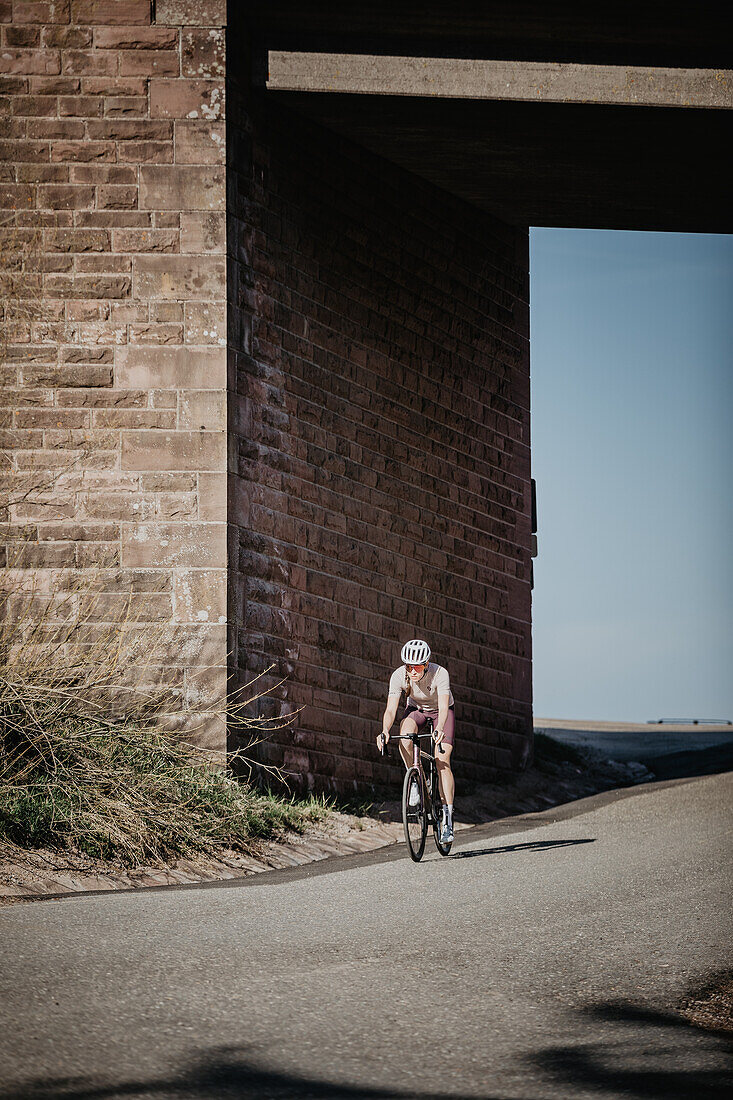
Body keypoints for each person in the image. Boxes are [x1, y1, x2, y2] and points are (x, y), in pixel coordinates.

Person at [376, 639, 456, 843]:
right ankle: (416, 779)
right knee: (405, 737)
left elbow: (445, 707)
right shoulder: (398, 676)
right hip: (417, 710)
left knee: (442, 760)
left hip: (441, 712)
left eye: (417, 666)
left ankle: (447, 819)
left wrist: (439, 729)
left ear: (427, 663)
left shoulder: (440, 673)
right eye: (408, 666)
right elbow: (391, 709)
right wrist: (384, 731)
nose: (412, 671)